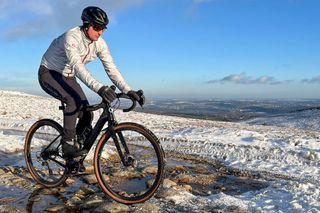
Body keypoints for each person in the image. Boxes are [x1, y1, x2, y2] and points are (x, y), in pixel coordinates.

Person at [38, 6, 144, 159]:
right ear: (86, 25)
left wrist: (128, 90)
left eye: (103, 28)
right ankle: (67, 143)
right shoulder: (72, 37)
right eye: (97, 27)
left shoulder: (100, 44)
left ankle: (76, 154)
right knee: (72, 102)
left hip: (68, 76)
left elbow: (111, 69)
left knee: (87, 114)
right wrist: (100, 88)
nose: (100, 32)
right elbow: (78, 67)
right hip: (49, 72)